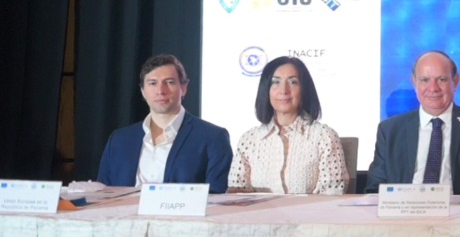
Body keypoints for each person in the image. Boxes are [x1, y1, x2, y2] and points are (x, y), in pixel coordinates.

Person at [364, 51, 460, 194]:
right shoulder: (389, 130)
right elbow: (375, 189)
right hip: (405, 208)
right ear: (414, 82)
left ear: (455, 81)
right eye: (425, 80)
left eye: (442, 79)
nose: (433, 88)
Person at [97, 54, 233, 192]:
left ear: (184, 88)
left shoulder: (213, 137)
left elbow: (217, 195)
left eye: (169, 82)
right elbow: (102, 194)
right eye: (152, 83)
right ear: (143, 91)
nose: (160, 91)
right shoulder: (119, 140)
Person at [227, 56, 347, 194]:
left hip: (310, 209)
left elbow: (333, 194)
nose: (284, 90)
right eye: (275, 82)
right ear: (266, 89)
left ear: (304, 89)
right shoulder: (249, 140)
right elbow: (236, 194)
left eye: (293, 82)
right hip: (259, 209)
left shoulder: (324, 136)